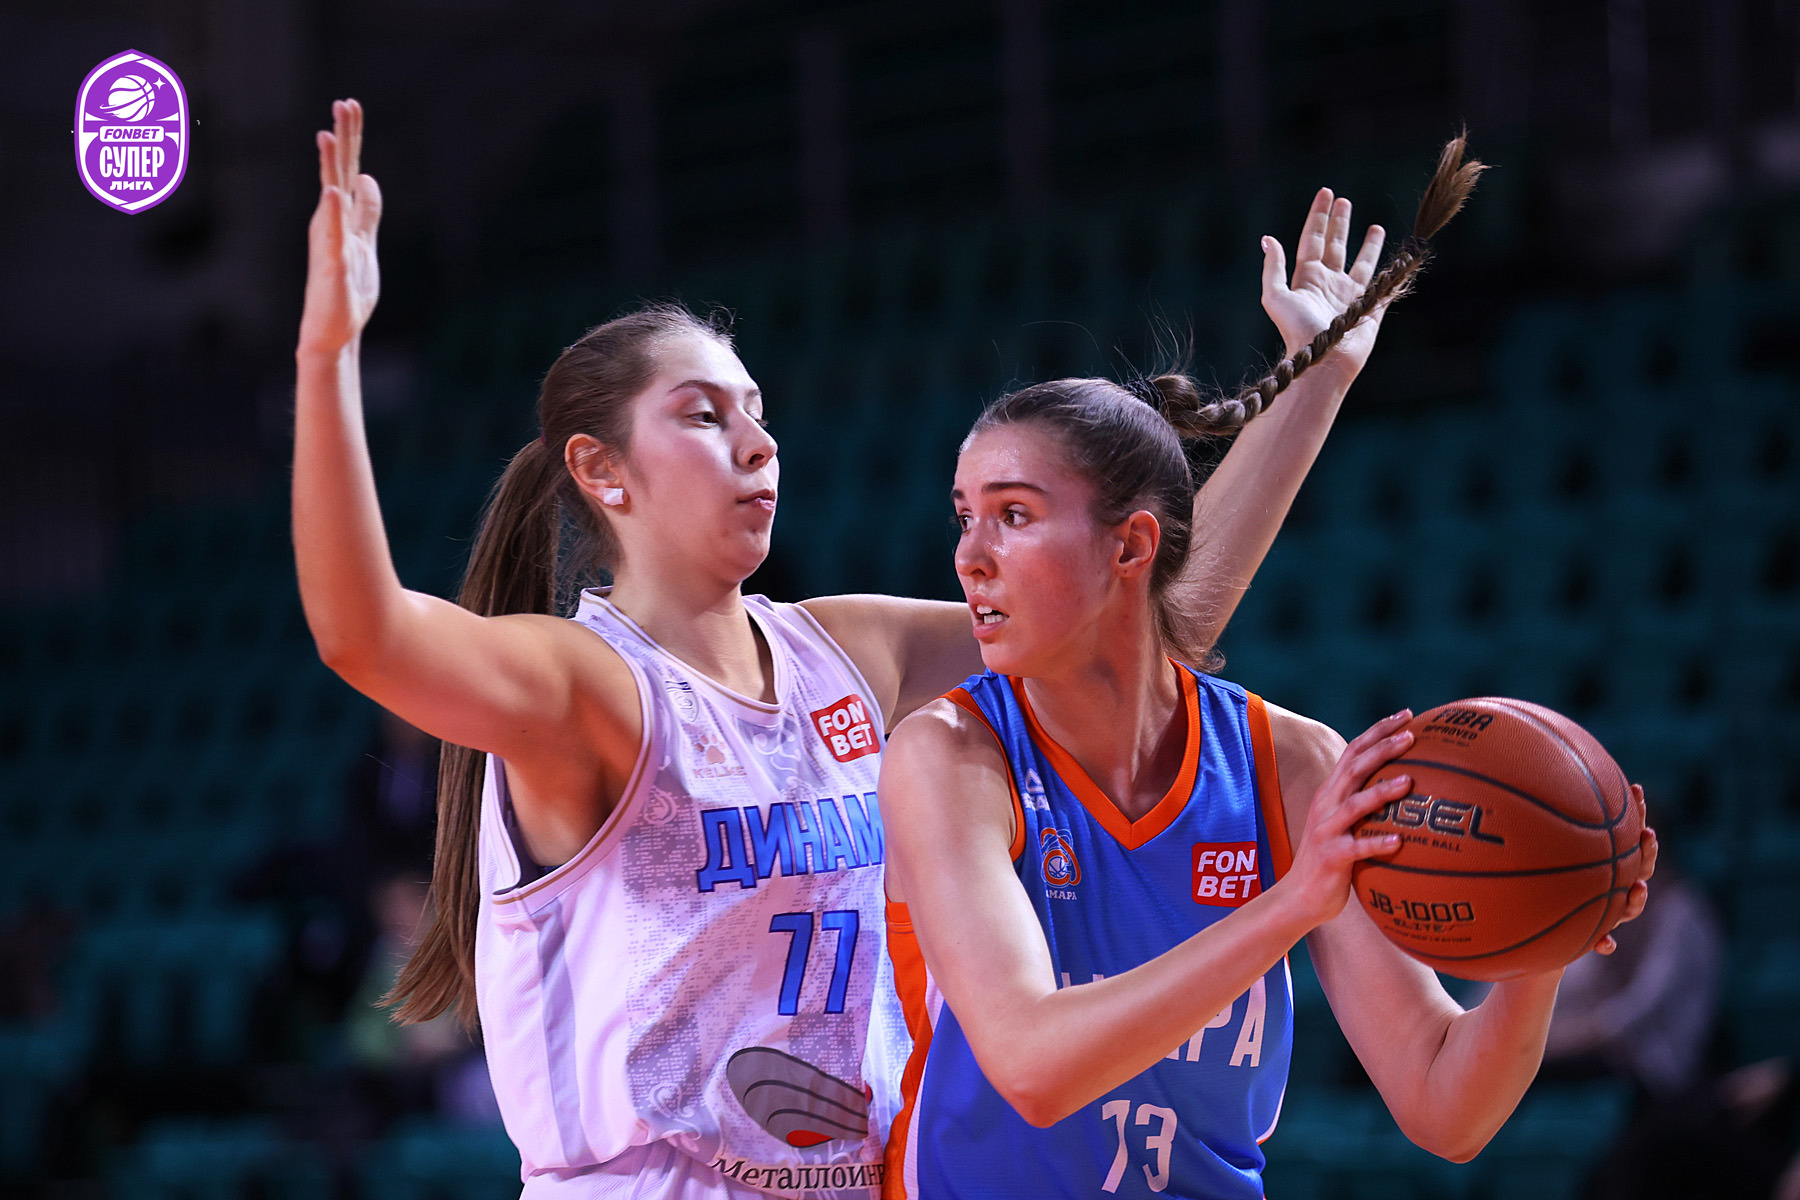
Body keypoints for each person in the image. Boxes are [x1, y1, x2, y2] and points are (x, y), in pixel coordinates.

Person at [294, 97, 1397, 1197]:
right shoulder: (588, 682)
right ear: (601, 471)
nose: (758, 443)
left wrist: (1318, 381)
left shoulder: (845, 652)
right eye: (704, 416)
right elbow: (363, 634)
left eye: (757, 411)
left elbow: (1136, 617)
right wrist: (328, 354)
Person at [875, 379, 1662, 1198]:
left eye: (1013, 515)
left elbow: (1446, 1107)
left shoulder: (1287, 764)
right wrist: (1292, 903)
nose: (970, 556)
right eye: (965, 518)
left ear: (1131, 546)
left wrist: (1544, 933)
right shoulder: (948, 754)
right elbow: (1032, 1068)